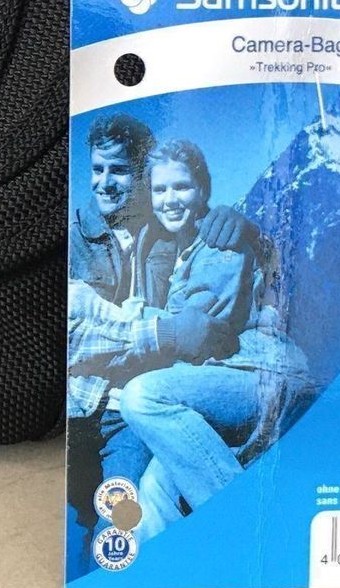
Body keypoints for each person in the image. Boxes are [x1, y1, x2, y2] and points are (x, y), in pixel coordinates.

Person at [65, 117, 260, 561]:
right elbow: (71, 337)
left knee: (121, 525)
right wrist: (165, 331)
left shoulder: (162, 230)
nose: (104, 182)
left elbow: (218, 273)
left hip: (125, 411)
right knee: (81, 525)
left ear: (139, 177)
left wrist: (245, 225)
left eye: (118, 170)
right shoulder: (75, 238)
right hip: (78, 407)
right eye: (96, 169)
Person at [115, 139, 314, 537]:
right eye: (160, 189)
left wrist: (130, 321)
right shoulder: (174, 249)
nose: (170, 199)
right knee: (154, 489)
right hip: (222, 378)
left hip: (260, 374)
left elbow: (201, 332)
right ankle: (165, 566)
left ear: (202, 190)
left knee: (142, 398)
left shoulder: (221, 242)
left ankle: (248, 529)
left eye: (181, 187)